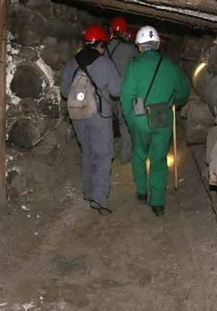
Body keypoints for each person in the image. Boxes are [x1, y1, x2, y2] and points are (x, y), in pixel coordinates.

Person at [121, 26, 190, 217]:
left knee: (139, 154)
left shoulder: (134, 65)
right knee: (159, 159)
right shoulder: (171, 66)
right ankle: (158, 202)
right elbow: (183, 94)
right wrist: (170, 103)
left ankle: (142, 192)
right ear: (158, 45)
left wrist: (131, 119)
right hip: (163, 118)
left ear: (140, 47)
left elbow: (126, 96)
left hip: (140, 119)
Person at [61, 24, 122, 215]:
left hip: (77, 115)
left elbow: (64, 91)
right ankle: (99, 197)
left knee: (87, 151)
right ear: (100, 44)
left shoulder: (72, 62)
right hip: (99, 114)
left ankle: (87, 192)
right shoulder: (105, 63)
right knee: (103, 154)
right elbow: (116, 91)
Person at [105, 16, 139, 164]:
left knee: (107, 126)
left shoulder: (103, 48)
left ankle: (108, 154)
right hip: (125, 92)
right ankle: (126, 155)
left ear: (111, 30)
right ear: (124, 32)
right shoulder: (130, 49)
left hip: (106, 93)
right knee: (125, 124)